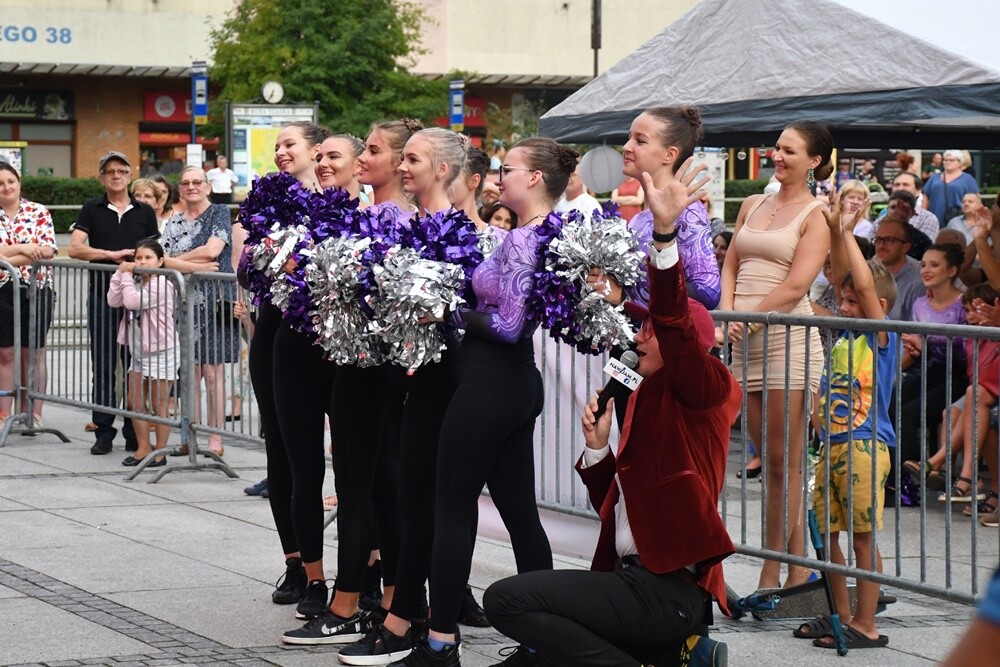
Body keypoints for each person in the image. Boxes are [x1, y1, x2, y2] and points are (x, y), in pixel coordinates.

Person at [484, 158, 738, 667]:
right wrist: (598, 449)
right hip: (629, 580)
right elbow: (621, 507)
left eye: (648, 332)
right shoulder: (643, 394)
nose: (637, 337)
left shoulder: (703, 386)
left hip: (666, 591)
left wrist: (664, 235)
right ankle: (670, 657)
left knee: (504, 600)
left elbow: (672, 321)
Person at [284, 120, 420, 647]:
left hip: (372, 368)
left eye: (375, 150)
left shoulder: (392, 219)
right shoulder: (368, 214)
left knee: (363, 486)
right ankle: (386, 602)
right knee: (375, 487)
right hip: (356, 364)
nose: (365, 156)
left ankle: (348, 606)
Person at [720, 121, 832, 591]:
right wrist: (727, 315)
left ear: (815, 162)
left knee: (785, 462)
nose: (778, 156)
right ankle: (795, 565)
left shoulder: (817, 214)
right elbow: (730, 263)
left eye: (790, 150)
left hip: (789, 341)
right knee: (768, 459)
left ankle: (777, 568)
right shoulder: (752, 203)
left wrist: (750, 318)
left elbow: (796, 286)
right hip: (746, 342)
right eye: (777, 148)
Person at [271, 132, 369, 631]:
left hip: (349, 354)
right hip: (295, 346)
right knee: (304, 469)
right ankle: (313, 579)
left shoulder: (373, 215)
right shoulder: (293, 210)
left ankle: (364, 576)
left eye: (336, 156)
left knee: (356, 474)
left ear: (361, 164)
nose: (325, 162)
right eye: (322, 155)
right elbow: (258, 271)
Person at [241, 121, 330, 612]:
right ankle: (298, 564)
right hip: (276, 335)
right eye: (276, 146)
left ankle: (370, 569)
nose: (280, 152)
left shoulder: (343, 197)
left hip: (332, 339)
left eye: (289, 144)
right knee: (288, 456)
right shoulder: (265, 201)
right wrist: (269, 254)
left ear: (318, 150)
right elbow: (243, 268)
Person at [804, 194, 897, 650]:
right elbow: (847, 281)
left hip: (864, 446)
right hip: (834, 448)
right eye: (841, 301)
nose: (845, 306)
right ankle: (841, 614)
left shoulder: (882, 337)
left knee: (862, 538)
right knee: (826, 536)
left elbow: (860, 284)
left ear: (877, 304)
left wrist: (846, 235)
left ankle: (867, 623)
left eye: (854, 301)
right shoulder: (844, 335)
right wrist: (837, 233)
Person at [69, 151, 159, 456]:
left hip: (139, 301)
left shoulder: (145, 211)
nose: (116, 175)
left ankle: (135, 432)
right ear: (101, 178)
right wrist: (109, 256)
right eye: (109, 171)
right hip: (103, 297)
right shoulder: (91, 209)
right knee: (105, 365)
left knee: (137, 367)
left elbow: (156, 251)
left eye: (121, 170)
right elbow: (75, 250)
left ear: (130, 175)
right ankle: (103, 430)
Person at [160, 166, 237, 458]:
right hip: (185, 302)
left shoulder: (218, 212)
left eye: (197, 182)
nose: (192, 187)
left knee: (213, 373)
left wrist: (177, 260)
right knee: (190, 373)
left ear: (207, 186)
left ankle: (216, 438)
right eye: (186, 183)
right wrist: (193, 265)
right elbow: (159, 260)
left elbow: (212, 251)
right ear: (180, 190)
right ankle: (187, 434)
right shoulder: (174, 221)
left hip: (216, 300)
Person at [896, 243, 969, 500]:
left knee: (908, 413)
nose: (926, 270)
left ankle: (905, 485)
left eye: (934, 265)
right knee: (892, 400)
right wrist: (917, 348)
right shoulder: (919, 304)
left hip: (961, 375)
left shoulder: (963, 303)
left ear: (951, 271)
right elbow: (919, 345)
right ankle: (895, 474)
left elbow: (967, 349)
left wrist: (925, 342)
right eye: (924, 264)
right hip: (932, 370)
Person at [106, 238, 178, 468]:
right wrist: (120, 274)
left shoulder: (161, 284)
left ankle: (160, 451)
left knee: (159, 403)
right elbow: (114, 299)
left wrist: (126, 276)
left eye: (148, 258)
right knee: (134, 401)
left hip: (161, 350)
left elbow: (133, 302)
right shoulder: (135, 281)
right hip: (138, 349)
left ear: (160, 262)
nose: (142, 262)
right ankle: (143, 448)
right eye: (138, 257)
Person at [0, 162, 57, 430]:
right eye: (0, 183)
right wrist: (26, 247)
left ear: (19, 182)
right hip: (2, 289)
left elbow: (47, 250)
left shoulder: (38, 212)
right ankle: (3, 413)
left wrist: (6, 254)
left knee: (32, 353)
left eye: (10, 181)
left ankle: (32, 412)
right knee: (6, 353)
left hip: (38, 287)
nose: (6, 187)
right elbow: (34, 249)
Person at [872, 217, 924, 321]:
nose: (881, 245)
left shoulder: (917, 281)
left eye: (889, 240)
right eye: (878, 240)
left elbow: (914, 331)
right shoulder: (869, 270)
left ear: (906, 247)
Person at [923, 149, 979, 227]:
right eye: (945, 160)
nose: (947, 162)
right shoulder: (934, 177)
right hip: (933, 221)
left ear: (960, 162)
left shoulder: (968, 179)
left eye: (951, 160)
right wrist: (923, 216)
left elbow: (976, 201)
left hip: (959, 222)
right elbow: (926, 198)